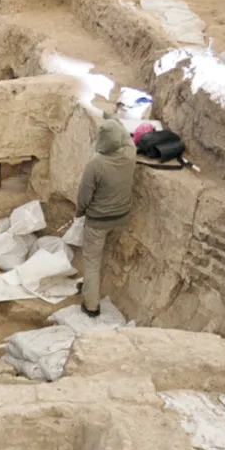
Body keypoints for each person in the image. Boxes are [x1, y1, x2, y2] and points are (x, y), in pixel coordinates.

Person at [74, 116, 135, 317]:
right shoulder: (130, 154)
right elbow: (126, 137)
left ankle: (91, 304)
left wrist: (80, 211)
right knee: (100, 256)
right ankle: (90, 286)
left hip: (98, 221)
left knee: (92, 260)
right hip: (121, 216)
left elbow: (84, 194)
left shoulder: (96, 164)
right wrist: (114, 119)